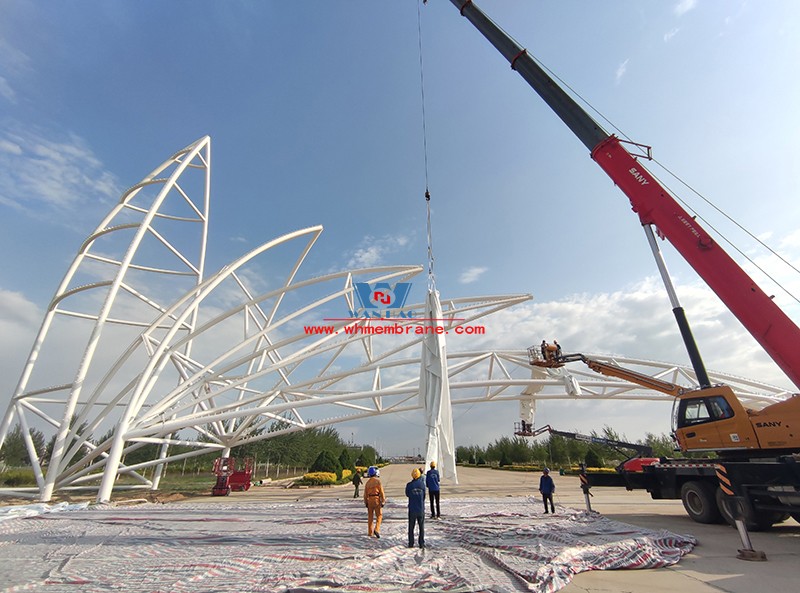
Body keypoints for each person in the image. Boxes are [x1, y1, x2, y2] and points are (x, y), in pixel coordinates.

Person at [406, 467, 426, 548]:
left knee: (411, 527)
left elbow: (407, 494)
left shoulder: (409, 485)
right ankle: (421, 543)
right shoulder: (422, 485)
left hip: (412, 508)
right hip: (420, 508)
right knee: (421, 527)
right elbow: (424, 496)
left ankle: (411, 543)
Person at [363, 466, 385, 538]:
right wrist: (383, 501)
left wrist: (366, 502)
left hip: (370, 500)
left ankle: (370, 532)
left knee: (370, 517)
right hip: (376, 499)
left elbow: (365, 494)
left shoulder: (367, 483)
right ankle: (377, 529)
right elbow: (381, 492)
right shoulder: (378, 482)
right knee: (379, 515)